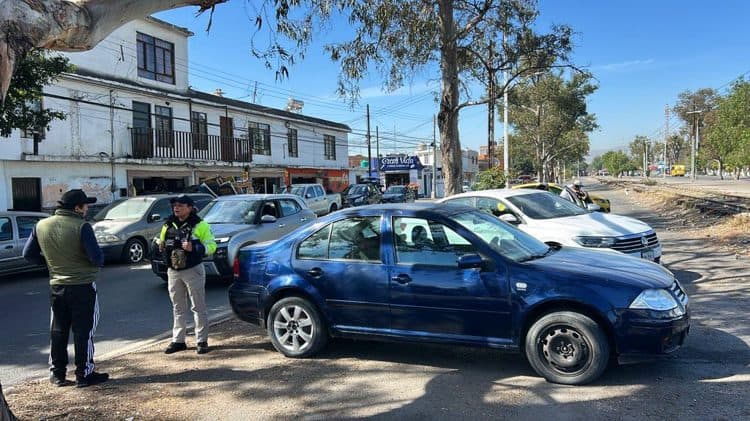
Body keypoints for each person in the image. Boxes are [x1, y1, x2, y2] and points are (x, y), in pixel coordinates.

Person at [23, 189, 108, 388]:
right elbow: (96, 258)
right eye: (85, 205)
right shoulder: (82, 226)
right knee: (84, 331)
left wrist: (50, 264)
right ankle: (83, 374)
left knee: (58, 331)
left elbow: (28, 254)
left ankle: (57, 374)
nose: (87, 209)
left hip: (57, 286)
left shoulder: (41, 225)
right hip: (82, 286)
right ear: (77, 208)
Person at [159, 194, 216, 355]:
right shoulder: (167, 224)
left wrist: (195, 248)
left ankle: (201, 341)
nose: (176, 208)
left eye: (180, 205)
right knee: (178, 307)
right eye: (175, 205)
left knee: (198, 306)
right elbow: (160, 241)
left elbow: (212, 246)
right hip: (173, 271)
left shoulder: (200, 225)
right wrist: (160, 247)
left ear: (190, 208)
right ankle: (178, 341)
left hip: (193, 270)